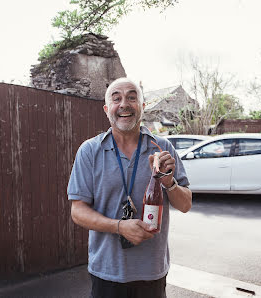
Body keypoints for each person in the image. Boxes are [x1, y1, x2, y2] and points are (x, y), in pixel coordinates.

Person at [67, 77, 192, 298]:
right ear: (107, 109)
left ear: (142, 107)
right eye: (117, 99)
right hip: (106, 273)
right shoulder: (90, 151)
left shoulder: (163, 148)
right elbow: (77, 211)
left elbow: (185, 205)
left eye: (132, 98)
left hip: (151, 273)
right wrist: (119, 227)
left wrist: (169, 183)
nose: (124, 104)